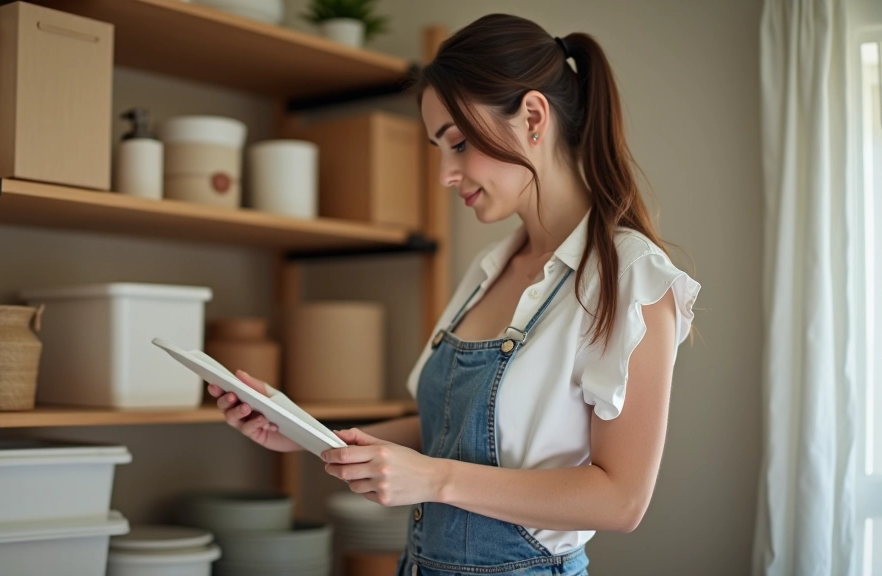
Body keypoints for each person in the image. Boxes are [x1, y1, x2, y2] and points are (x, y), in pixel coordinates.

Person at [208, 13, 701, 576]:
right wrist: (302, 430)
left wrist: (434, 479)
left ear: (534, 117)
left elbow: (622, 500)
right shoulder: (488, 270)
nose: (445, 173)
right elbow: (444, 426)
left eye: (459, 143)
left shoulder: (630, 278)